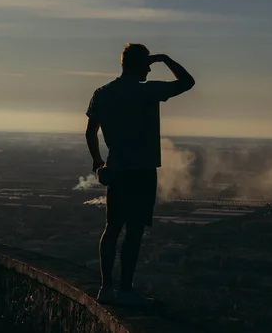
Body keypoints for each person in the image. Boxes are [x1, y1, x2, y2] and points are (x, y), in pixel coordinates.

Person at [84, 43, 195, 306]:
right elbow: (188, 82)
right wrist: (166, 58)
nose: (148, 68)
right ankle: (126, 290)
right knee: (133, 232)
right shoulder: (148, 91)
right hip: (142, 170)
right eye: (147, 64)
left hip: (116, 167)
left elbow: (90, 132)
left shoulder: (102, 93)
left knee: (112, 228)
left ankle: (106, 288)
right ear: (139, 65)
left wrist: (98, 163)